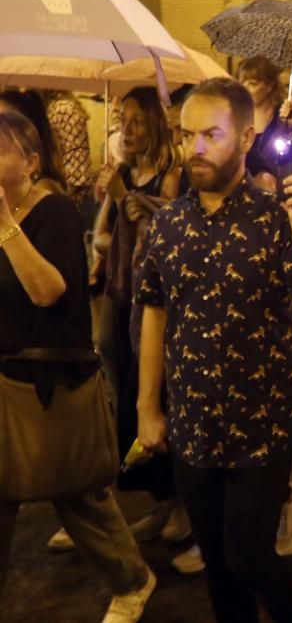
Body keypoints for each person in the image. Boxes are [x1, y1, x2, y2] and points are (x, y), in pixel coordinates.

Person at [135, 77, 292, 622]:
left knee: (249, 556)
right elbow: (155, 311)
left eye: (211, 134)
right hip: (193, 424)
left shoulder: (276, 218)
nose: (195, 148)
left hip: (262, 425)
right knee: (220, 575)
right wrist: (146, 405)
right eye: (187, 135)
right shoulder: (169, 222)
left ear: (247, 137)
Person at [0, 110, 156, 622]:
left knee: (76, 495)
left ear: (30, 161)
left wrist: (5, 227)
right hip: (5, 380)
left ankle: (133, 582)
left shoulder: (56, 214)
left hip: (49, 382)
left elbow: (47, 292)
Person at [59, 87, 186, 556]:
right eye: (121, 121)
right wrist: (113, 203)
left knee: (155, 394)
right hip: (120, 292)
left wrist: (126, 196)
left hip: (152, 302)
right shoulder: (125, 171)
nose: (126, 131)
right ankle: (160, 497)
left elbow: (166, 230)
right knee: (129, 395)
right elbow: (108, 237)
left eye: (135, 121)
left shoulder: (172, 174)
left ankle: (181, 505)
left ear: (154, 122)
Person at [237, 55, 285, 188]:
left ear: (269, 86)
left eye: (253, 83)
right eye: (242, 83)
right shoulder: (238, 116)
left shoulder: (282, 115)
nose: (245, 89)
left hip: (276, 186)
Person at [43, 90, 92, 206]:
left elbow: (78, 164)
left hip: (70, 198)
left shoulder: (64, 109)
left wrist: (59, 203)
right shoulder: (50, 107)